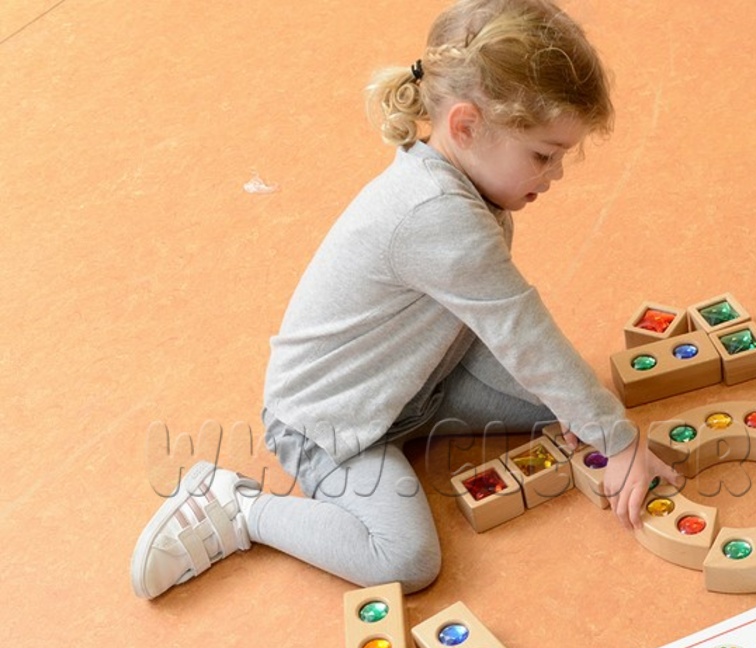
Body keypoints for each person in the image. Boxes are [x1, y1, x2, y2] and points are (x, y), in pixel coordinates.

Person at [131, 0, 677, 600]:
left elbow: (507, 337)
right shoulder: (436, 214)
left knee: (577, 400)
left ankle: (562, 416)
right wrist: (617, 441)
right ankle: (238, 508)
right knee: (405, 560)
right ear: (466, 126)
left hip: (426, 379)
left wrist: (589, 418)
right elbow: (523, 333)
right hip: (332, 422)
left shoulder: (462, 176)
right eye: (543, 155)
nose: (556, 174)